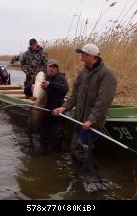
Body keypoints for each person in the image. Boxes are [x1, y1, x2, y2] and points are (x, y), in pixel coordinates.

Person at [53, 43, 117, 192]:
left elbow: (103, 102)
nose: (81, 57)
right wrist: (64, 107)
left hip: (92, 122)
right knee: (77, 149)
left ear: (91, 56)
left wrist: (91, 119)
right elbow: (75, 95)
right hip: (78, 119)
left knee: (79, 149)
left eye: (83, 54)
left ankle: (92, 180)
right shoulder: (83, 72)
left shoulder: (106, 74)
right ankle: (80, 176)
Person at [35, 59, 69, 154]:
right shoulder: (42, 78)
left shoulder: (61, 79)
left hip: (57, 115)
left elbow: (64, 89)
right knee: (43, 139)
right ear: (46, 68)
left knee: (56, 140)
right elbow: (27, 90)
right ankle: (45, 160)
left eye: (54, 67)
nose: (52, 69)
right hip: (44, 114)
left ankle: (55, 159)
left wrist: (50, 85)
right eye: (50, 67)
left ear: (57, 69)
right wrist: (31, 88)